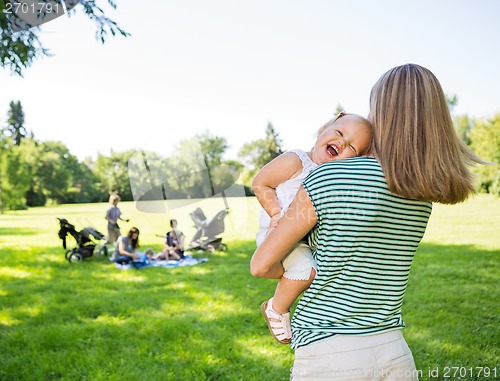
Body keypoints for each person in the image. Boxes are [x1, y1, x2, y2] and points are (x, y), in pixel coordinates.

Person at [250, 64, 483, 380]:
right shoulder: (421, 193)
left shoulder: (329, 175)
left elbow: (261, 265)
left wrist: (279, 300)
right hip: (395, 352)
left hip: (330, 356)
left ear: (382, 113)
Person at [253, 112, 373, 344]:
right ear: (325, 128)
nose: (341, 142)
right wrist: (276, 215)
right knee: (307, 271)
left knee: (317, 272)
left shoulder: (334, 179)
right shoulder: (296, 160)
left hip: (302, 239)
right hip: (277, 234)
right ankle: (277, 308)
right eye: (339, 133)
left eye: (351, 147)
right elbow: (260, 182)